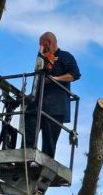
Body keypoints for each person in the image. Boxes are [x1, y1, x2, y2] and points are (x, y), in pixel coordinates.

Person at [23, 32, 80, 160]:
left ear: (49, 43)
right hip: (36, 105)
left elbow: (75, 74)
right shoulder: (41, 58)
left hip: (55, 108)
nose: (41, 48)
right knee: (28, 134)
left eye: (42, 45)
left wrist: (55, 79)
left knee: (49, 142)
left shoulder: (65, 56)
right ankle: (25, 159)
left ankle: (45, 163)